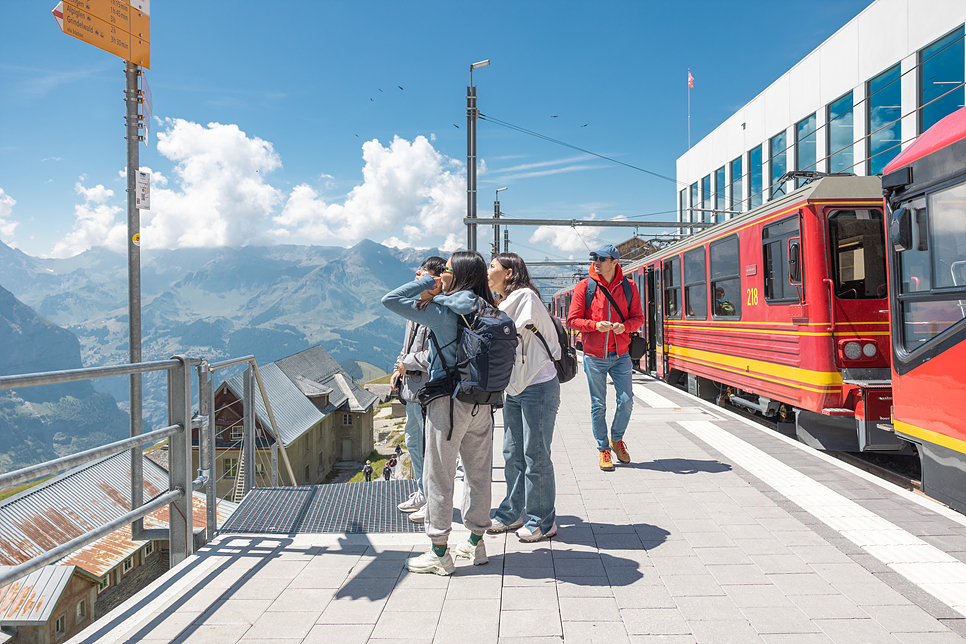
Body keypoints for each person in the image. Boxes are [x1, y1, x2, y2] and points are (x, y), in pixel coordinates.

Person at [382, 250, 498, 575]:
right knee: (478, 475)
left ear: (458, 275)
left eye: (446, 270)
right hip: (483, 403)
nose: (442, 274)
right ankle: (476, 543)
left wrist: (425, 283)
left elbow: (390, 300)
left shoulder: (444, 311)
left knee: (439, 477)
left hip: (447, 405)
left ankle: (439, 552)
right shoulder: (489, 309)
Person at [487, 252, 561, 542]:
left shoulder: (524, 297)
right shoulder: (504, 301)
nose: (487, 269)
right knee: (512, 453)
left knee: (535, 454)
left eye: (492, 265)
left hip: (537, 385)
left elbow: (505, 333)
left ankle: (542, 520)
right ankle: (512, 513)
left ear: (508, 272)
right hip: (516, 387)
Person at [567, 244, 644, 472]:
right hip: (594, 356)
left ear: (614, 262)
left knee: (626, 400)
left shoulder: (629, 287)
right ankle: (603, 449)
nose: (596, 261)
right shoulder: (585, 287)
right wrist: (594, 326)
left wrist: (625, 327)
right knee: (598, 405)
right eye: (594, 258)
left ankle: (616, 439)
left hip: (621, 355)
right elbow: (572, 320)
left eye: (602, 258)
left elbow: (638, 318)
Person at [391, 256, 447, 519]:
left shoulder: (439, 311)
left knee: (429, 446)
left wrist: (407, 364)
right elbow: (407, 346)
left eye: (422, 273)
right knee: (414, 442)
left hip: (428, 389)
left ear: (435, 280)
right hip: (411, 389)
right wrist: (397, 367)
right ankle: (421, 491)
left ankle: (432, 501)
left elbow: (435, 355)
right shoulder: (415, 308)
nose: (416, 274)